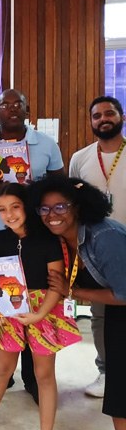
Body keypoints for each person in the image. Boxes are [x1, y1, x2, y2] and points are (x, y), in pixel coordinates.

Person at [0, 183, 81, 430]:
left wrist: (40, 314)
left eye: (15, 207)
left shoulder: (49, 240)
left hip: (44, 310)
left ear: (26, 206)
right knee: (2, 369)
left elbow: (56, 284)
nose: (9, 214)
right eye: (2, 210)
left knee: (44, 375)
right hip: (9, 313)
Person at [0, 89, 65, 393]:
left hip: (35, 236)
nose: (11, 109)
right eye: (4, 105)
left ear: (27, 109)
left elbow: (59, 188)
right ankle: (1, 368)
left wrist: (35, 190)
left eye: (17, 105)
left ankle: (34, 377)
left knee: (34, 300)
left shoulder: (46, 144)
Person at [27, 177, 126, 430]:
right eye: (44, 209)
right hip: (117, 313)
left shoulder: (104, 236)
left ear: (78, 207)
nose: (52, 215)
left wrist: (73, 291)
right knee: (119, 378)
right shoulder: (61, 239)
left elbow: (124, 293)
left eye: (60, 207)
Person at [69, 95, 126, 399]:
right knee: (101, 315)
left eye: (109, 113)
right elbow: (73, 206)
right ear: (91, 122)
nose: (103, 119)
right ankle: (106, 371)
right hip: (97, 249)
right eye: (97, 115)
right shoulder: (81, 158)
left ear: (121, 117)